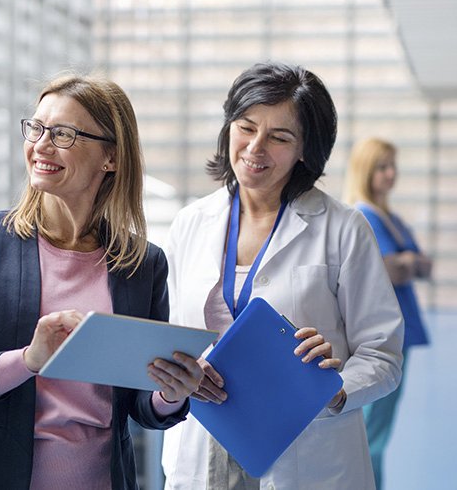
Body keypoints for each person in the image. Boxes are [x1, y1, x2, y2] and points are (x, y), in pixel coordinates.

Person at [0, 73, 205, 490]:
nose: (40, 145)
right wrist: (29, 360)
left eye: (64, 134)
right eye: (36, 128)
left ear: (111, 158)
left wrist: (171, 392)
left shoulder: (142, 263)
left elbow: (139, 404)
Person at [161, 62, 404, 489]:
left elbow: (382, 354)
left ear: (306, 150)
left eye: (279, 137)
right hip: (204, 444)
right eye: (246, 127)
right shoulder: (190, 223)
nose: (256, 148)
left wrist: (337, 389)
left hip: (306, 451)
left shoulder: (343, 228)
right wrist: (181, 371)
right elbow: (167, 335)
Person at [344, 136, 432, 490]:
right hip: (381, 337)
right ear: (366, 170)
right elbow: (384, 270)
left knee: (379, 429)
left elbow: (420, 265)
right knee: (371, 434)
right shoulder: (363, 216)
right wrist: (405, 263)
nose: (390, 174)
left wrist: (406, 263)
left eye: (393, 166)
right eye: (382, 166)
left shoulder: (390, 218)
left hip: (401, 333)